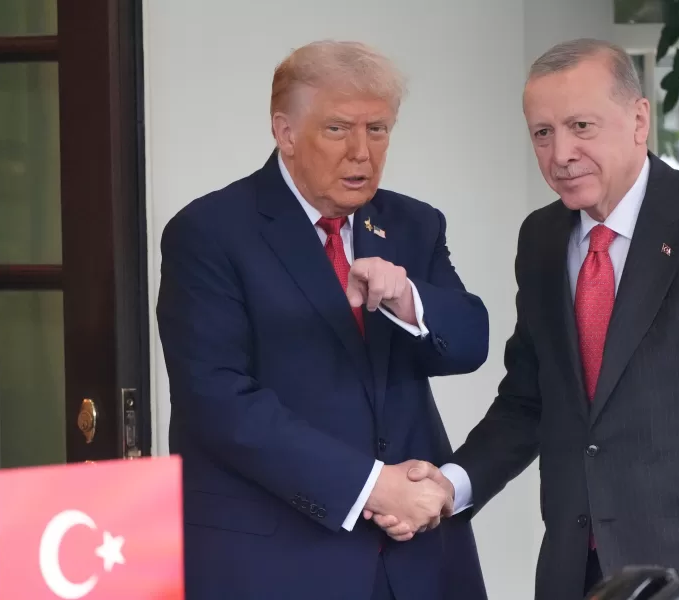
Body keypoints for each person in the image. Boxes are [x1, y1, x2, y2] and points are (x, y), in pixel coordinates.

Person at [375, 37, 679, 599]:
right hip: (575, 574)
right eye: (542, 133)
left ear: (639, 120)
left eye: (580, 126)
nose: (560, 152)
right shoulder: (540, 238)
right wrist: (451, 485)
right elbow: (528, 401)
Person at [156, 40, 489, 600]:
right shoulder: (209, 232)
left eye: (378, 130)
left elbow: (470, 344)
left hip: (418, 561)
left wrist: (408, 297)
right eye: (338, 129)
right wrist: (372, 487)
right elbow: (218, 401)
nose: (362, 152)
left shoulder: (413, 223)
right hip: (276, 559)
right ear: (285, 132)